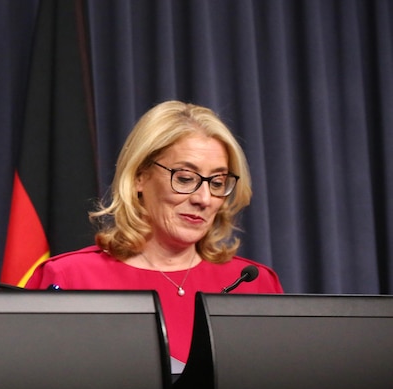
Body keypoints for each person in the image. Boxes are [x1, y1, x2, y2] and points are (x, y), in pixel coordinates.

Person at [26, 100, 283, 373]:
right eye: (185, 178)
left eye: (217, 183)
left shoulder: (253, 283)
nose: (204, 199)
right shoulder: (70, 278)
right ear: (139, 177)